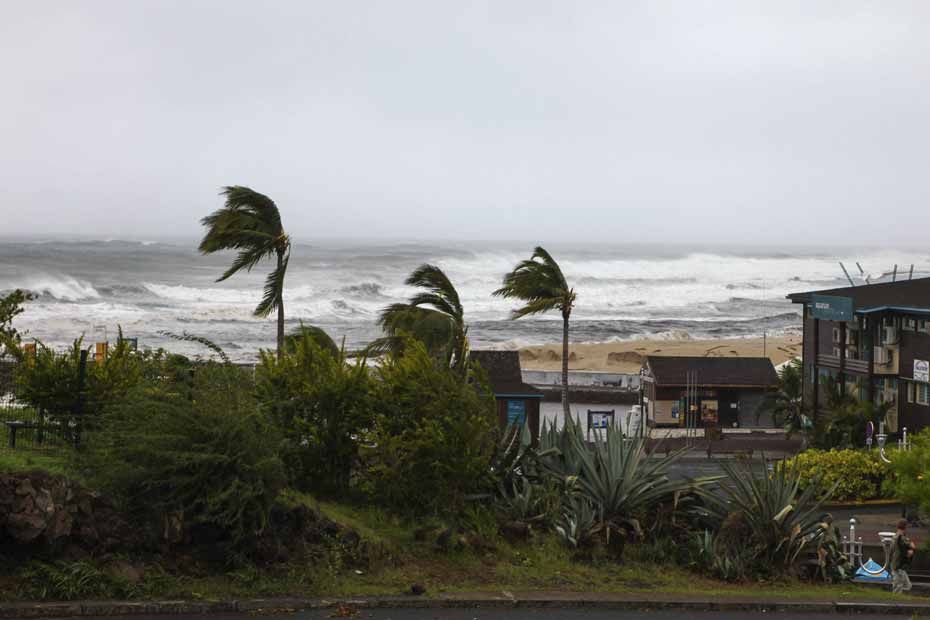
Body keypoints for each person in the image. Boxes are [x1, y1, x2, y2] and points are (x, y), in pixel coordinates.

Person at [890, 518, 916, 594]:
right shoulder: (901, 538)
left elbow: (894, 550)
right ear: (905, 527)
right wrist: (910, 549)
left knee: (907, 586)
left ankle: (901, 598)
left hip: (896, 564)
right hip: (899, 565)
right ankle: (896, 599)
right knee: (898, 586)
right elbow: (912, 546)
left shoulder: (894, 537)